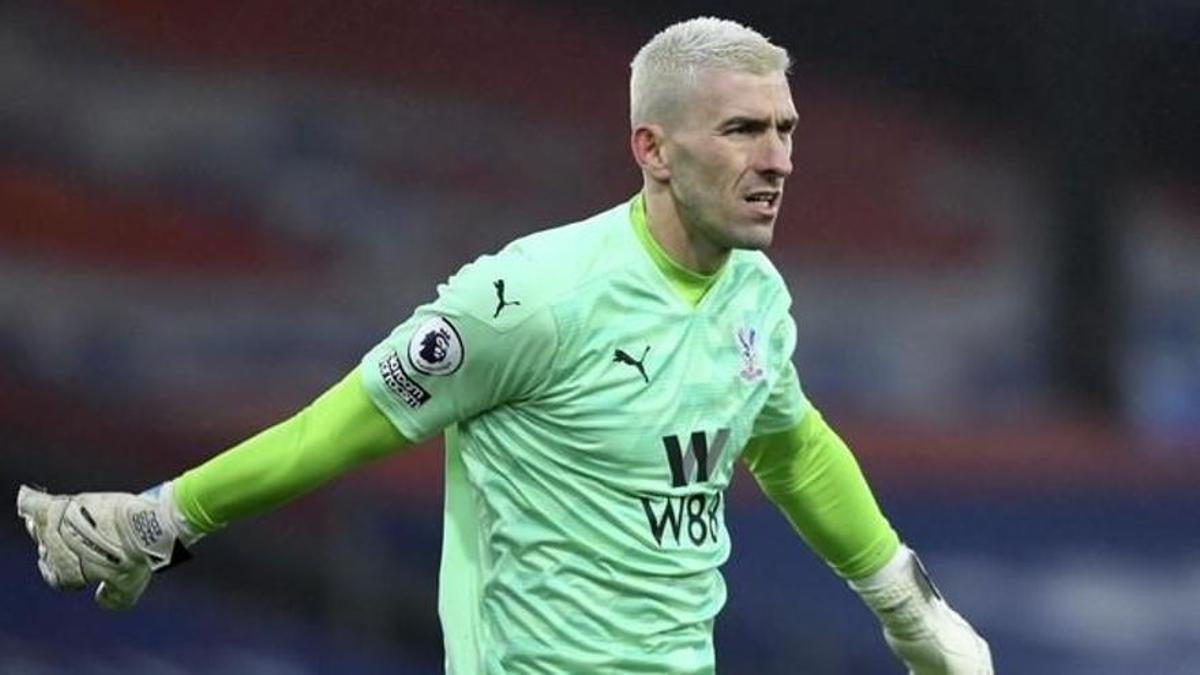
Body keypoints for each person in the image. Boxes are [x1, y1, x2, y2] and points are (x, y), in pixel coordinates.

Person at [16, 16, 993, 674]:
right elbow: (338, 427)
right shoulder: (529, 298)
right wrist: (161, 520)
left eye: (784, 130)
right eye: (743, 130)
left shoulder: (754, 297)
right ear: (652, 148)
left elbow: (789, 441)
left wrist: (904, 600)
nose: (778, 160)